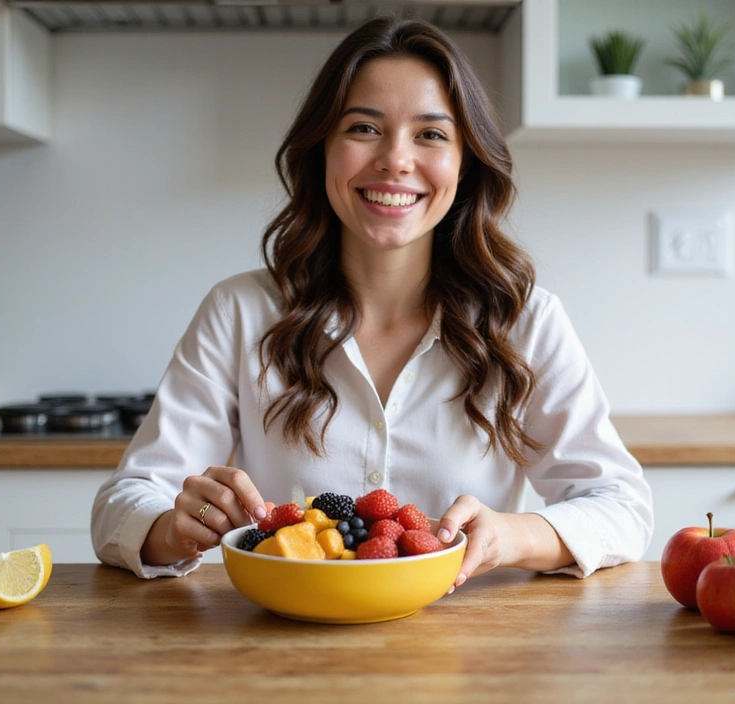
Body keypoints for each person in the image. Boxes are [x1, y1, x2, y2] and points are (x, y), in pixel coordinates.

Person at [91, 16, 653, 588]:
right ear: (322, 151)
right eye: (364, 128)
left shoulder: (526, 320)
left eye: (430, 134)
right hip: (285, 650)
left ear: (466, 163)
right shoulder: (239, 312)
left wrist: (511, 535)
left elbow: (621, 505)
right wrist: (174, 526)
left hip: (473, 657)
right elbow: (124, 502)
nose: (395, 160)